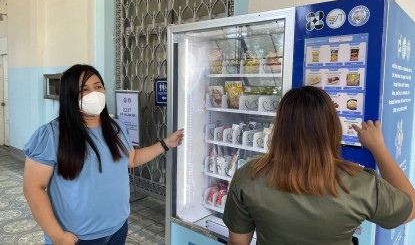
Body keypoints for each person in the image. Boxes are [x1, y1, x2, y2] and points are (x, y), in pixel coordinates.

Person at [223, 86, 415, 245]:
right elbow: (410, 209)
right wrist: (379, 148)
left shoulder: (248, 175)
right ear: (333, 128)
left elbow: (238, 242)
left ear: (280, 128)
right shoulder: (361, 184)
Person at [23, 64, 184, 245]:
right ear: (69, 96)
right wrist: (57, 236)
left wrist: (165, 144)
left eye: (98, 86)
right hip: (77, 238)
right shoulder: (51, 135)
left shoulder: (116, 128)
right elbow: (33, 188)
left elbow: (131, 159)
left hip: (117, 229)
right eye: (84, 89)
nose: (94, 93)